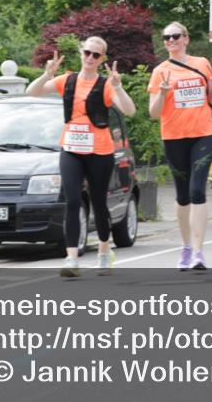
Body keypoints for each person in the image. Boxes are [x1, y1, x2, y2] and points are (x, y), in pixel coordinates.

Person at [26, 36, 137, 277]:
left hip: (99, 152)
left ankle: (104, 251)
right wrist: (46, 74)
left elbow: (129, 110)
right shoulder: (67, 80)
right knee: (73, 201)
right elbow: (32, 92)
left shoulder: (105, 85)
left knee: (98, 202)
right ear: (81, 52)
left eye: (96, 55)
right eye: (87, 52)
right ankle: (72, 259)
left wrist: (118, 86)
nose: (90, 58)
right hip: (71, 149)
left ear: (102, 58)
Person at [148, 22, 212, 271]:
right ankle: (187, 246)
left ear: (186, 39)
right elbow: (153, 112)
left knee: (197, 191)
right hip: (174, 137)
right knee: (182, 196)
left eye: (176, 36)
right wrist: (162, 93)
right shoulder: (160, 71)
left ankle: (199, 253)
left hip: (203, 134)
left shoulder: (202, 63)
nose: (171, 40)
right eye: (166, 37)